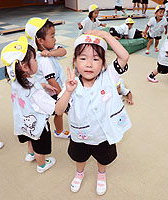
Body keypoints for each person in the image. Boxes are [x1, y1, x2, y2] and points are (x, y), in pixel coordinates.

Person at [56, 30, 131, 195]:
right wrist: (68, 91)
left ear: (103, 63)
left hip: (103, 135)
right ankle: (79, 173)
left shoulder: (109, 77)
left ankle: (101, 174)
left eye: (96, 59)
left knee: (103, 158)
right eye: (83, 58)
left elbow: (124, 56)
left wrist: (107, 36)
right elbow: (58, 110)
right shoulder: (71, 84)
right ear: (75, 62)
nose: (89, 64)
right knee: (79, 158)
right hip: (80, 135)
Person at [1, 36, 76, 173]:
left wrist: (43, 85)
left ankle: (30, 154)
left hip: (22, 120)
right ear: (24, 67)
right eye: (35, 59)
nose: (37, 61)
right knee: (39, 146)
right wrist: (67, 93)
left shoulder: (16, 81)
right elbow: (57, 110)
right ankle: (42, 165)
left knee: (30, 138)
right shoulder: (36, 93)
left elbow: (28, 89)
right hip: (38, 125)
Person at [25, 17, 70, 139]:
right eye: (52, 36)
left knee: (62, 111)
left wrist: (50, 53)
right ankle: (58, 131)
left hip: (58, 87)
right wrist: (62, 96)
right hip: (53, 91)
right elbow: (51, 80)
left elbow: (63, 51)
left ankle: (61, 128)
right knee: (60, 111)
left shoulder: (49, 50)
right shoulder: (43, 60)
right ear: (40, 40)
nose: (55, 39)